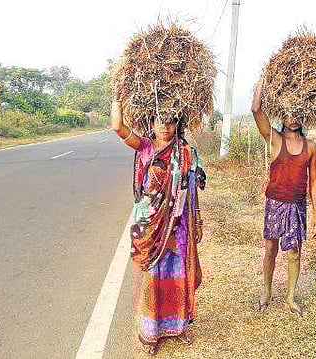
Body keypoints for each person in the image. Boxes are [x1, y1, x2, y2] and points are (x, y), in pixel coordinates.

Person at [111, 94, 205, 355]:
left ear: (177, 124)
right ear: (151, 123)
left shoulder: (186, 152)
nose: (165, 126)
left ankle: (178, 326)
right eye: (159, 121)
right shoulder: (144, 147)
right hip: (149, 223)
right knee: (153, 276)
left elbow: (194, 191)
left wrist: (197, 219)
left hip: (178, 223)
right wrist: (117, 100)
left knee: (177, 275)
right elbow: (118, 128)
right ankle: (150, 333)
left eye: (170, 121)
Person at [251, 74, 316, 315]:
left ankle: (290, 297)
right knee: (271, 248)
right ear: (283, 115)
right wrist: (262, 80)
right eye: (290, 114)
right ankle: (267, 291)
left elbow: (314, 181)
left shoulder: (310, 146)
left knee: (294, 251)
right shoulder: (274, 139)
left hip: (297, 205)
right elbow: (256, 109)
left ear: (305, 116)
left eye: (298, 114)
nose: (293, 119)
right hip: (275, 202)